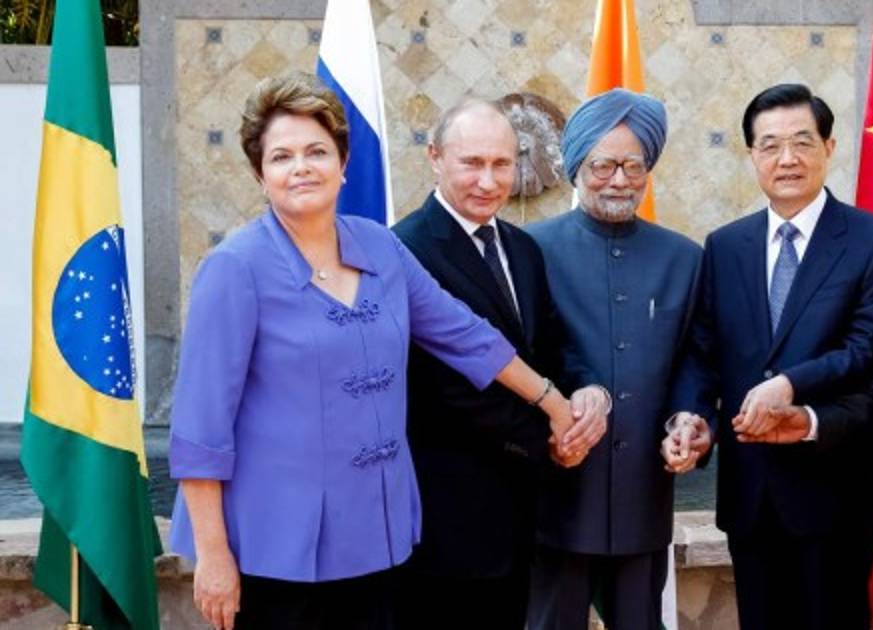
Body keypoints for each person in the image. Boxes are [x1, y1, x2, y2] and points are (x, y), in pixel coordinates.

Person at [167, 72, 591, 630]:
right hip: (274, 548)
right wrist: (213, 555)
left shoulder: (380, 247)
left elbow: (467, 336)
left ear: (343, 163)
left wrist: (555, 404)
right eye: (282, 157)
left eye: (317, 151)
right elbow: (201, 429)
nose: (301, 168)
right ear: (260, 173)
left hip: (374, 537)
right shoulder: (234, 269)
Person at [668, 83, 873, 629]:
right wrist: (691, 417)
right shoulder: (726, 245)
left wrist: (790, 386)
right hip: (751, 493)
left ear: (829, 147)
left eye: (802, 142)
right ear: (752, 155)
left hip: (835, 492)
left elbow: (870, 348)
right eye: (770, 145)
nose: (787, 158)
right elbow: (703, 353)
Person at [390, 98, 608, 629]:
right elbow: (437, 385)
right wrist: (550, 436)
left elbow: (549, 346)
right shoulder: (403, 250)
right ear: (435, 157)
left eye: (502, 164)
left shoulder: (522, 248)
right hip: (445, 526)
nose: (488, 181)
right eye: (472, 163)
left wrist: (587, 392)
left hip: (521, 519)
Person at [523, 88, 702, 630]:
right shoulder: (530, 249)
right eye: (603, 165)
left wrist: (689, 420)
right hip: (556, 496)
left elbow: (695, 362)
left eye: (633, 165)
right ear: (577, 167)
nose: (619, 180)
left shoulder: (684, 258)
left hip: (643, 494)